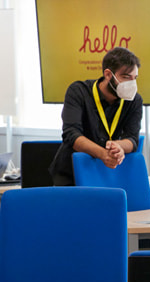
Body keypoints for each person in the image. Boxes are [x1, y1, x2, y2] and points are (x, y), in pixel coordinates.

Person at [50, 47, 143, 185]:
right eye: (126, 77)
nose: (131, 83)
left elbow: (132, 139)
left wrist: (119, 147)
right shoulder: (78, 92)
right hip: (71, 174)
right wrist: (102, 154)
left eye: (134, 78)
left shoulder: (134, 100)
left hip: (106, 173)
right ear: (108, 74)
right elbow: (71, 134)